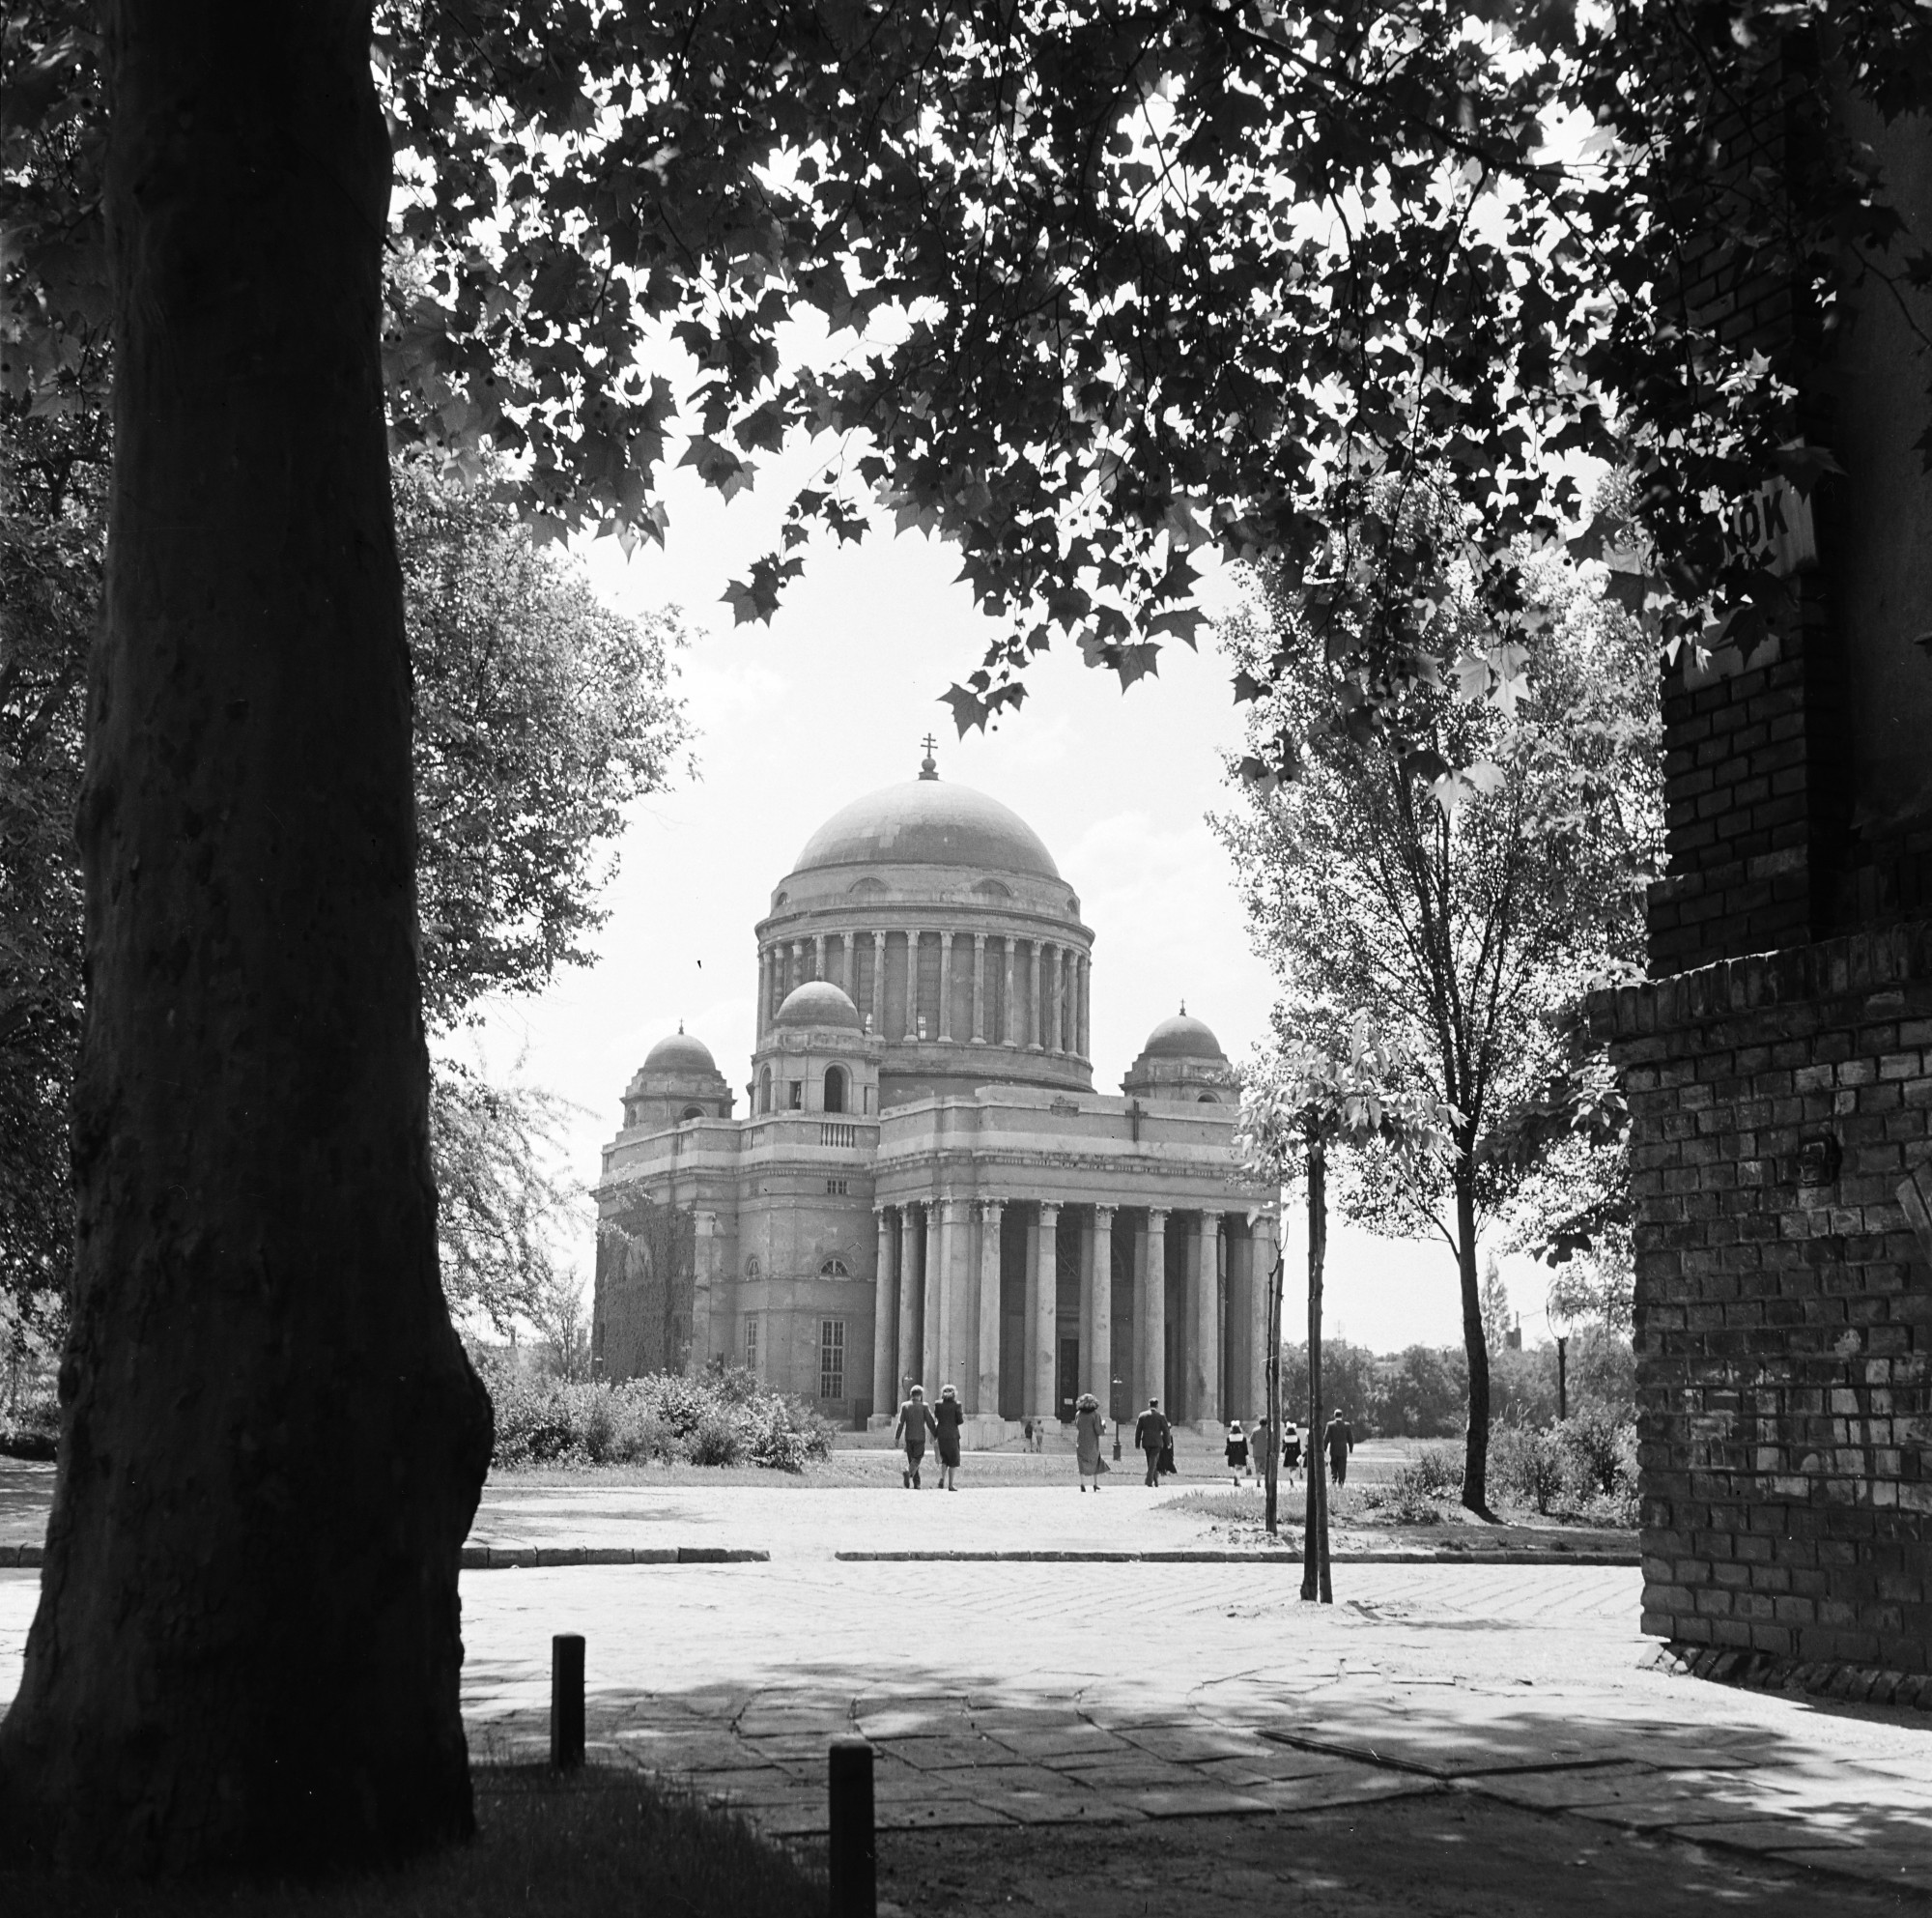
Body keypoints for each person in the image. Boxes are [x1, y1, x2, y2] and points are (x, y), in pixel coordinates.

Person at [894, 1384, 938, 1489]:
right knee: (917, 1458)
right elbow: (930, 1422)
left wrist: (897, 1437)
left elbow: (900, 1423)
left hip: (908, 1437)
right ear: (920, 1395)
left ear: (911, 1395)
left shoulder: (905, 1406)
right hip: (920, 1437)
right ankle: (908, 1473)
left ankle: (916, 1483)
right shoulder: (924, 1406)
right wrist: (935, 1433)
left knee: (912, 1460)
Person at [1133, 1397, 1171, 1488]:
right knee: (1153, 1461)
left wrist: (1137, 1443)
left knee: (1150, 1462)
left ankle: (1154, 1481)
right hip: (1157, 1442)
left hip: (1146, 1441)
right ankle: (1149, 1480)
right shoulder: (1161, 1416)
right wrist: (1168, 1442)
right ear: (1157, 1405)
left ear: (1149, 1405)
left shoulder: (1142, 1415)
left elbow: (1138, 1430)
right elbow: (1166, 1430)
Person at [934, 1383, 965, 1490]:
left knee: (945, 1459)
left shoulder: (938, 1404)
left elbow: (937, 1417)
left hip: (941, 1434)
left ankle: (942, 1479)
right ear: (954, 1394)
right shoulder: (957, 1405)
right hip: (952, 1435)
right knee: (953, 1460)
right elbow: (960, 1421)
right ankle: (951, 1485)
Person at [1074, 1391, 1107, 1490]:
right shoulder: (1095, 1415)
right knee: (1095, 1462)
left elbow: (1077, 1426)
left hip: (1081, 1441)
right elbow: (1098, 1430)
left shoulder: (1078, 1414)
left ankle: (1082, 1484)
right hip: (1092, 1442)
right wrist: (1103, 1426)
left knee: (1082, 1463)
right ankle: (1095, 1483)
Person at [1326, 1407, 1354, 1486]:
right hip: (1342, 1450)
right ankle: (1341, 1483)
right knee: (1342, 1467)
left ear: (1334, 1415)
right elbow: (1350, 1438)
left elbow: (1326, 1438)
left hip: (1333, 1449)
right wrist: (1351, 1448)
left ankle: (1334, 1478)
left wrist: (1324, 1448)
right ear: (1342, 1416)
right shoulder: (1347, 1425)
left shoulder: (1330, 1425)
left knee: (1333, 1465)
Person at [1224, 1418, 1250, 1484]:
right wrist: (1247, 1456)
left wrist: (1226, 1455)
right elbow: (1245, 1448)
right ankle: (1237, 1479)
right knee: (1239, 1468)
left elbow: (1228, 1447)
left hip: (1232, 1453)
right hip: (1240, 1453)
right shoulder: (1243, 1438)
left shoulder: (1229, 1438)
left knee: (1235, 1467)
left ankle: (1237, 1479)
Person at [1282, 1422, 1304, 1489]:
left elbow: (1283, 1448)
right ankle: (1291, 1479)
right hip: (1295, 1454)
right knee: (1294, 1468)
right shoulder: (1297, 1438)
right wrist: (1300, 1455)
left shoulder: (1285, 1439)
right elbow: (1298, 1448)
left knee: (1291, 1468)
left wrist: (1282, 1453)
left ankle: (1291, 1481)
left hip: (1288, 1454)